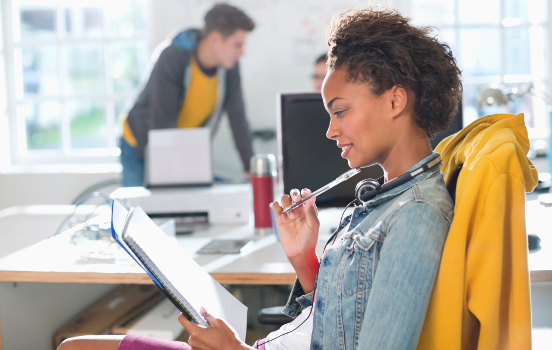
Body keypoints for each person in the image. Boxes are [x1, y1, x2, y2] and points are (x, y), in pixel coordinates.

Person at [57, 6, 462, 350]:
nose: (330, 130)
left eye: (339, 111)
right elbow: (332, 323)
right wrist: (304, 259)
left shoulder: (416, 215)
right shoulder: (387, 197)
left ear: (395, 100)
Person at [120, 3, 255, 187]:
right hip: (140, 144)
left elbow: (238, 119)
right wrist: (179, 168)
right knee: (141, 212)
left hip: (177, 146)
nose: (242, 52)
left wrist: (252, 169)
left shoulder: (229, 67)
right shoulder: (173, 56)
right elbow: (163, 122)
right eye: (237, 45)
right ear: (215, 39)